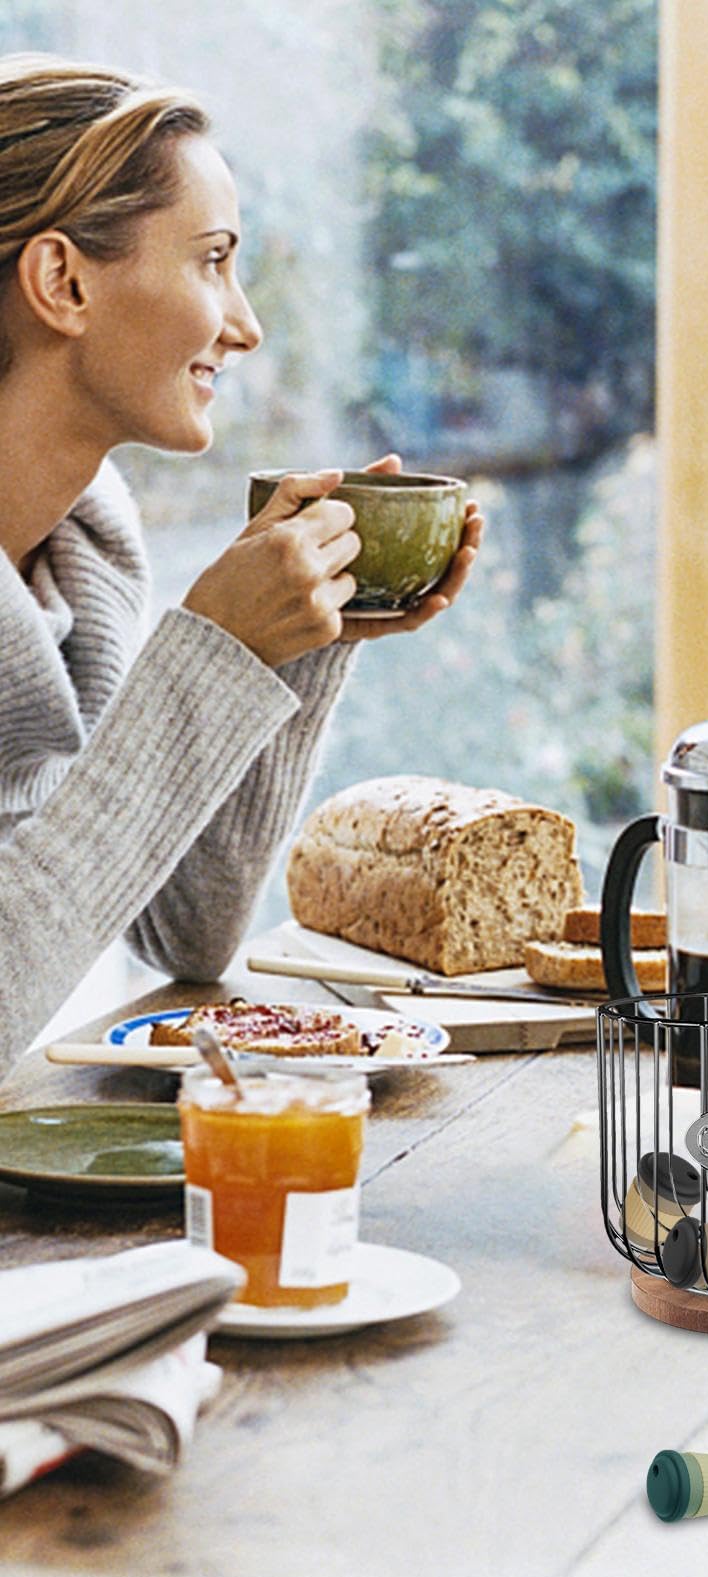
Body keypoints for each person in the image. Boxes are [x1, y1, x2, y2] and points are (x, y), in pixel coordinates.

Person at [0, 55, 482, 1074]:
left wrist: (291, 647)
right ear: (63, 281)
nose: (245, 323)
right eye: (212, 259)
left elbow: (185, 935)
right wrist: (212, 652)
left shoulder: (84, 551)